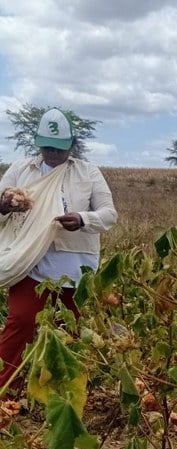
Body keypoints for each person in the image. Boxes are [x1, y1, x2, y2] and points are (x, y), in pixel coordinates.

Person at [0, 107, 117, 393]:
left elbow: (109, 214)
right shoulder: (21, 170)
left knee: (68, 330)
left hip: (74, 265)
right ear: (38, 144)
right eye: (47, 147)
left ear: (72, 145)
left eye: (59, 148)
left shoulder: (88, 173)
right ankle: (5, 386)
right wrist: (5, 206)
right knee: (21, 321)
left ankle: (60, 392)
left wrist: (82, 219)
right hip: (29, 259)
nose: (52, 153)